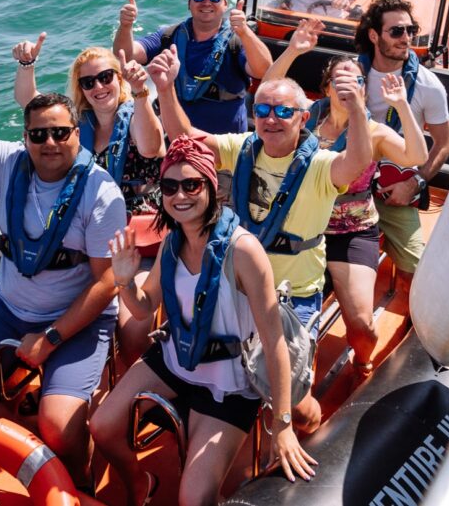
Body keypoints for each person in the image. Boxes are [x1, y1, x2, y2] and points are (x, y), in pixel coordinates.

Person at [0, 33, 126, 491]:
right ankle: (27, 443)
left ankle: (77, 477)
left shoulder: (102, 195)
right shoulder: (7, 162)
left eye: (60, 132)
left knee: (60, 427)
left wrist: (50, 339)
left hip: (74, 317)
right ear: (26, 137)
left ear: (77, 133)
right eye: (38, 134)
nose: (49, 142)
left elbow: (106, 282)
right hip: (7, 306)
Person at [149, 44, 374, 431]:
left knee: (296, 406)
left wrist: (355, 109)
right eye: (263, 110)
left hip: (292, 296)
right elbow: (185, 138)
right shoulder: (243, 148)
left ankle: (311, 428)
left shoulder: (321, 166)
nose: (272, 119)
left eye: (284, 111)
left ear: (303, 117)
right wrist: (166, 89)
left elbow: (357, 161)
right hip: (235, 290)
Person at [90, 136, 318, 506]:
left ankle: (307, 412)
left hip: (229, 379)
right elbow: (145, 307)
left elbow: (273, 339)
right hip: (177, 358)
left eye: (192, 185)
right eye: (170, 186)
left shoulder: (243, 251)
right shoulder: (172, 242)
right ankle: (139, 483)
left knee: (194, 498)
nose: (180, 195)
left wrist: (283, 424)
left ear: (211, 188)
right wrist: (124, 281)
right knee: (102, 427)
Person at [264, 17, 428, 375]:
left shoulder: (374, 131)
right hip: (300, 226)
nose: (348, 86)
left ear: (364, 90)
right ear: (326, 87)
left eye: (356, 80)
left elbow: (416, 156)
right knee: (265, 305)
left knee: (362, 324)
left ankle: (363, 364)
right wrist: (293, 51)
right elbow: (268, 91)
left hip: (349, 233)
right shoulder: (305, 118)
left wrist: (401, 105)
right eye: (340, 79)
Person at [13, 33, 165, 363]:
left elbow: (152, 147)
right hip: (89, 237)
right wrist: (27, 64)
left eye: (106, 77)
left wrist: (141, 92)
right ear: (80, 89)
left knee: (132, 332)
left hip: (135, 241)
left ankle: (140, 374)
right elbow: (29, 102)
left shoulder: (137, 113)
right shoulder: (76, 127)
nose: (98, 87)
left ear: (119, 79)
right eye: (88, 82)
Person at [354, 0, 449, 306]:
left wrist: (414, 183)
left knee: (415, 272)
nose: (406, 38)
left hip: (395, 188)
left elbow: (443, 144)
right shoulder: (352, 75)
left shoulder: (428, 86)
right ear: (374, 35)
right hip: (349, 183)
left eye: (411, 30)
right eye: (396, 31)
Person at [114, 0, 272, 134]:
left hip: (224, 144)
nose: (206, 2)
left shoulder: (236, 42)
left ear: (225, 4)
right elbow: (126, 54)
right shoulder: (170, 35)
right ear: (189, 3)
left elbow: (264, 70)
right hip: (178, 140)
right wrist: (126, 26)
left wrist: (245, 32)